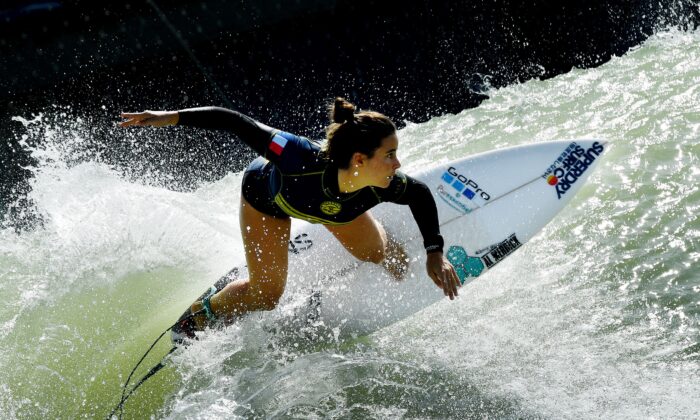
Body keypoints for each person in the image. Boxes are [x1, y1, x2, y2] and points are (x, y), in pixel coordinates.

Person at [120, 98, 460, 337]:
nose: (397, 164)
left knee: (379, 253)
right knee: (266, 297)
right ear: (359, 158)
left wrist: (435, 251)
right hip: (269, 202)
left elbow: (419, 194)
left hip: (339, 208)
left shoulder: (383, 183)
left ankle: (379, 238)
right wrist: (171, 116)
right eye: (389, 155)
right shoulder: (296, 156)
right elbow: (234, 121)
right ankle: (203, 314)